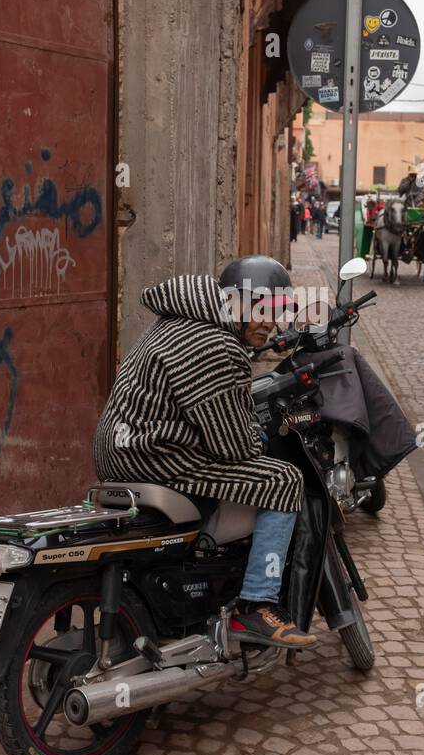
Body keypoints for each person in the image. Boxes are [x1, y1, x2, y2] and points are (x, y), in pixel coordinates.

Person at [94, 258, 317, 648]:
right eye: (259, 309)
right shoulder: (215, 343)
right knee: (283, 479)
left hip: (121, 448)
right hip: (155, 456)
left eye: (275, 312)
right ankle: (257, 606)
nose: (268, 322)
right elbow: (231, 447)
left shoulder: (179, 321)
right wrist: (257, 437)